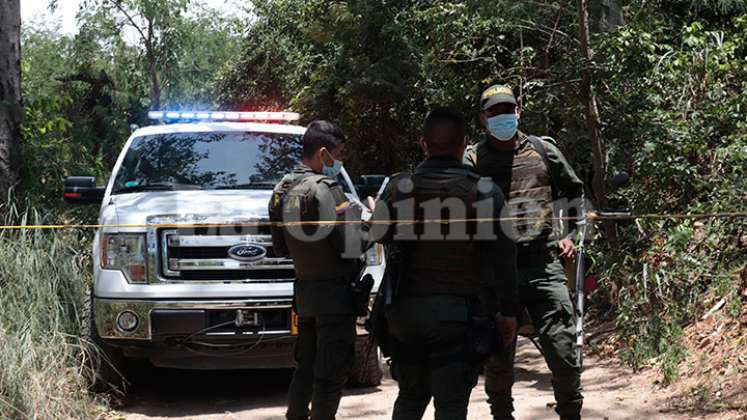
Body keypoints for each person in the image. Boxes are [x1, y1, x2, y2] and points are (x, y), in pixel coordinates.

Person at [371, 107, 518, 420]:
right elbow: (505, 259)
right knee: (451, 407)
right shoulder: (486, 192)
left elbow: (373, 235)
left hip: (405, 314)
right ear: (465, 144)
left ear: (423, 144)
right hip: (458, 315)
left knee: (410, 398)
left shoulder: (398, 188)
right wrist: (509, 313)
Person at [464, 85, 586, 420]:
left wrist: (569, 234)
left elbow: (574, 192)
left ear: (518, 112)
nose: (503, 117)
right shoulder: (473, 159)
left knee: (564, 355)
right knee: (498, 363)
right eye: (494, 112)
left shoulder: (543, 150)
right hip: (495, 275)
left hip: (544, 267)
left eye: (508, 110)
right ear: (483, 118)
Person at [269, 120, 365, 420]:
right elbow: (352, 245)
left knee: (306, 367)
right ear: (323, 153)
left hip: (306, 295)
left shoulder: (281, 190)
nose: (340, 160)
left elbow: (280, 248)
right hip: (335, 298)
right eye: (338, 153)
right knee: (330, 374)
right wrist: (365, 221)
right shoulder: (327, 188)